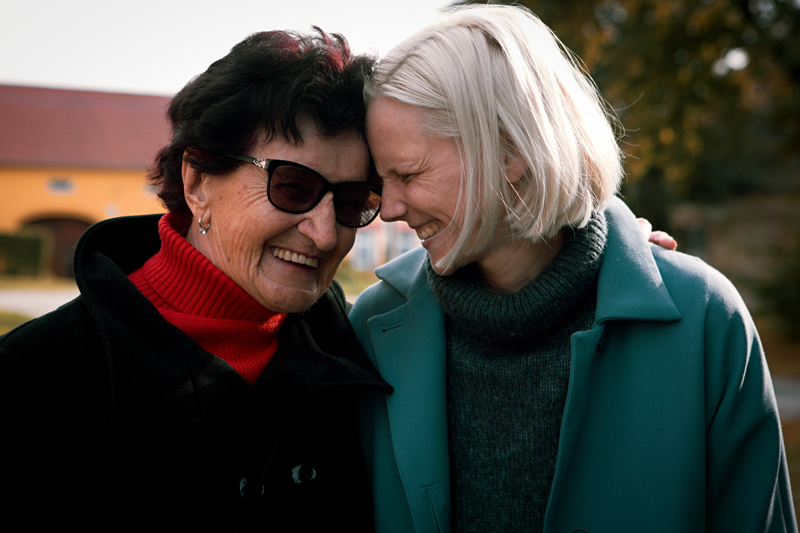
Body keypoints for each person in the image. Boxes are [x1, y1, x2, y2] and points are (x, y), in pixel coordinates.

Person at [349, 5, 795, 532]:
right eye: (382, 182)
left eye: (410, 174)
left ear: (511, 150)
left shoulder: (703, 321)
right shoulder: (371, 333)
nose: (392, 208)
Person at [0, 29, 390, 531]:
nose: (323, 233)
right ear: (198, 182)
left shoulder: (361, 353)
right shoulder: (35, 379)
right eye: (293, 186)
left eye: (353, 201)